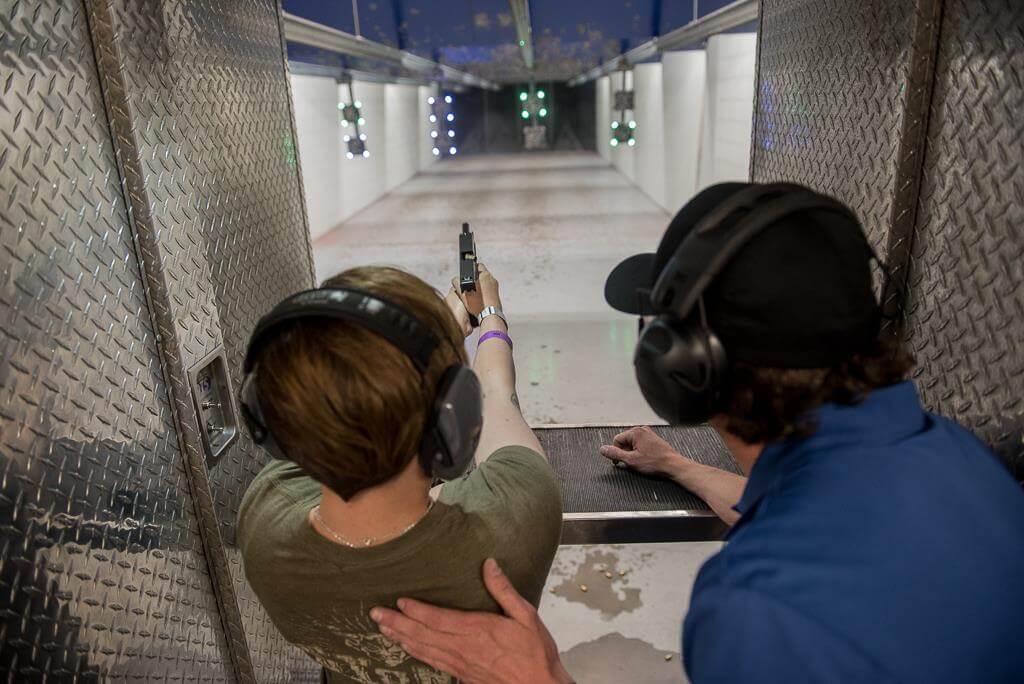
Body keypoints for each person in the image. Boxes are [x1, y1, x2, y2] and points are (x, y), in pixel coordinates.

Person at [370, 183, 1024, 683]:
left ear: (683, 370)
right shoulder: (961, 461)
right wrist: (679, 466)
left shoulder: (755, 612)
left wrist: (542, 676)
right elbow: (807, 520)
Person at [236, 264, 562, 682]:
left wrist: (431, 338)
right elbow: (496, 392)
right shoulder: (517, 514)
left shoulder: (262, 523)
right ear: (456, 418)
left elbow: (334, 412)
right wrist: (490, 313)